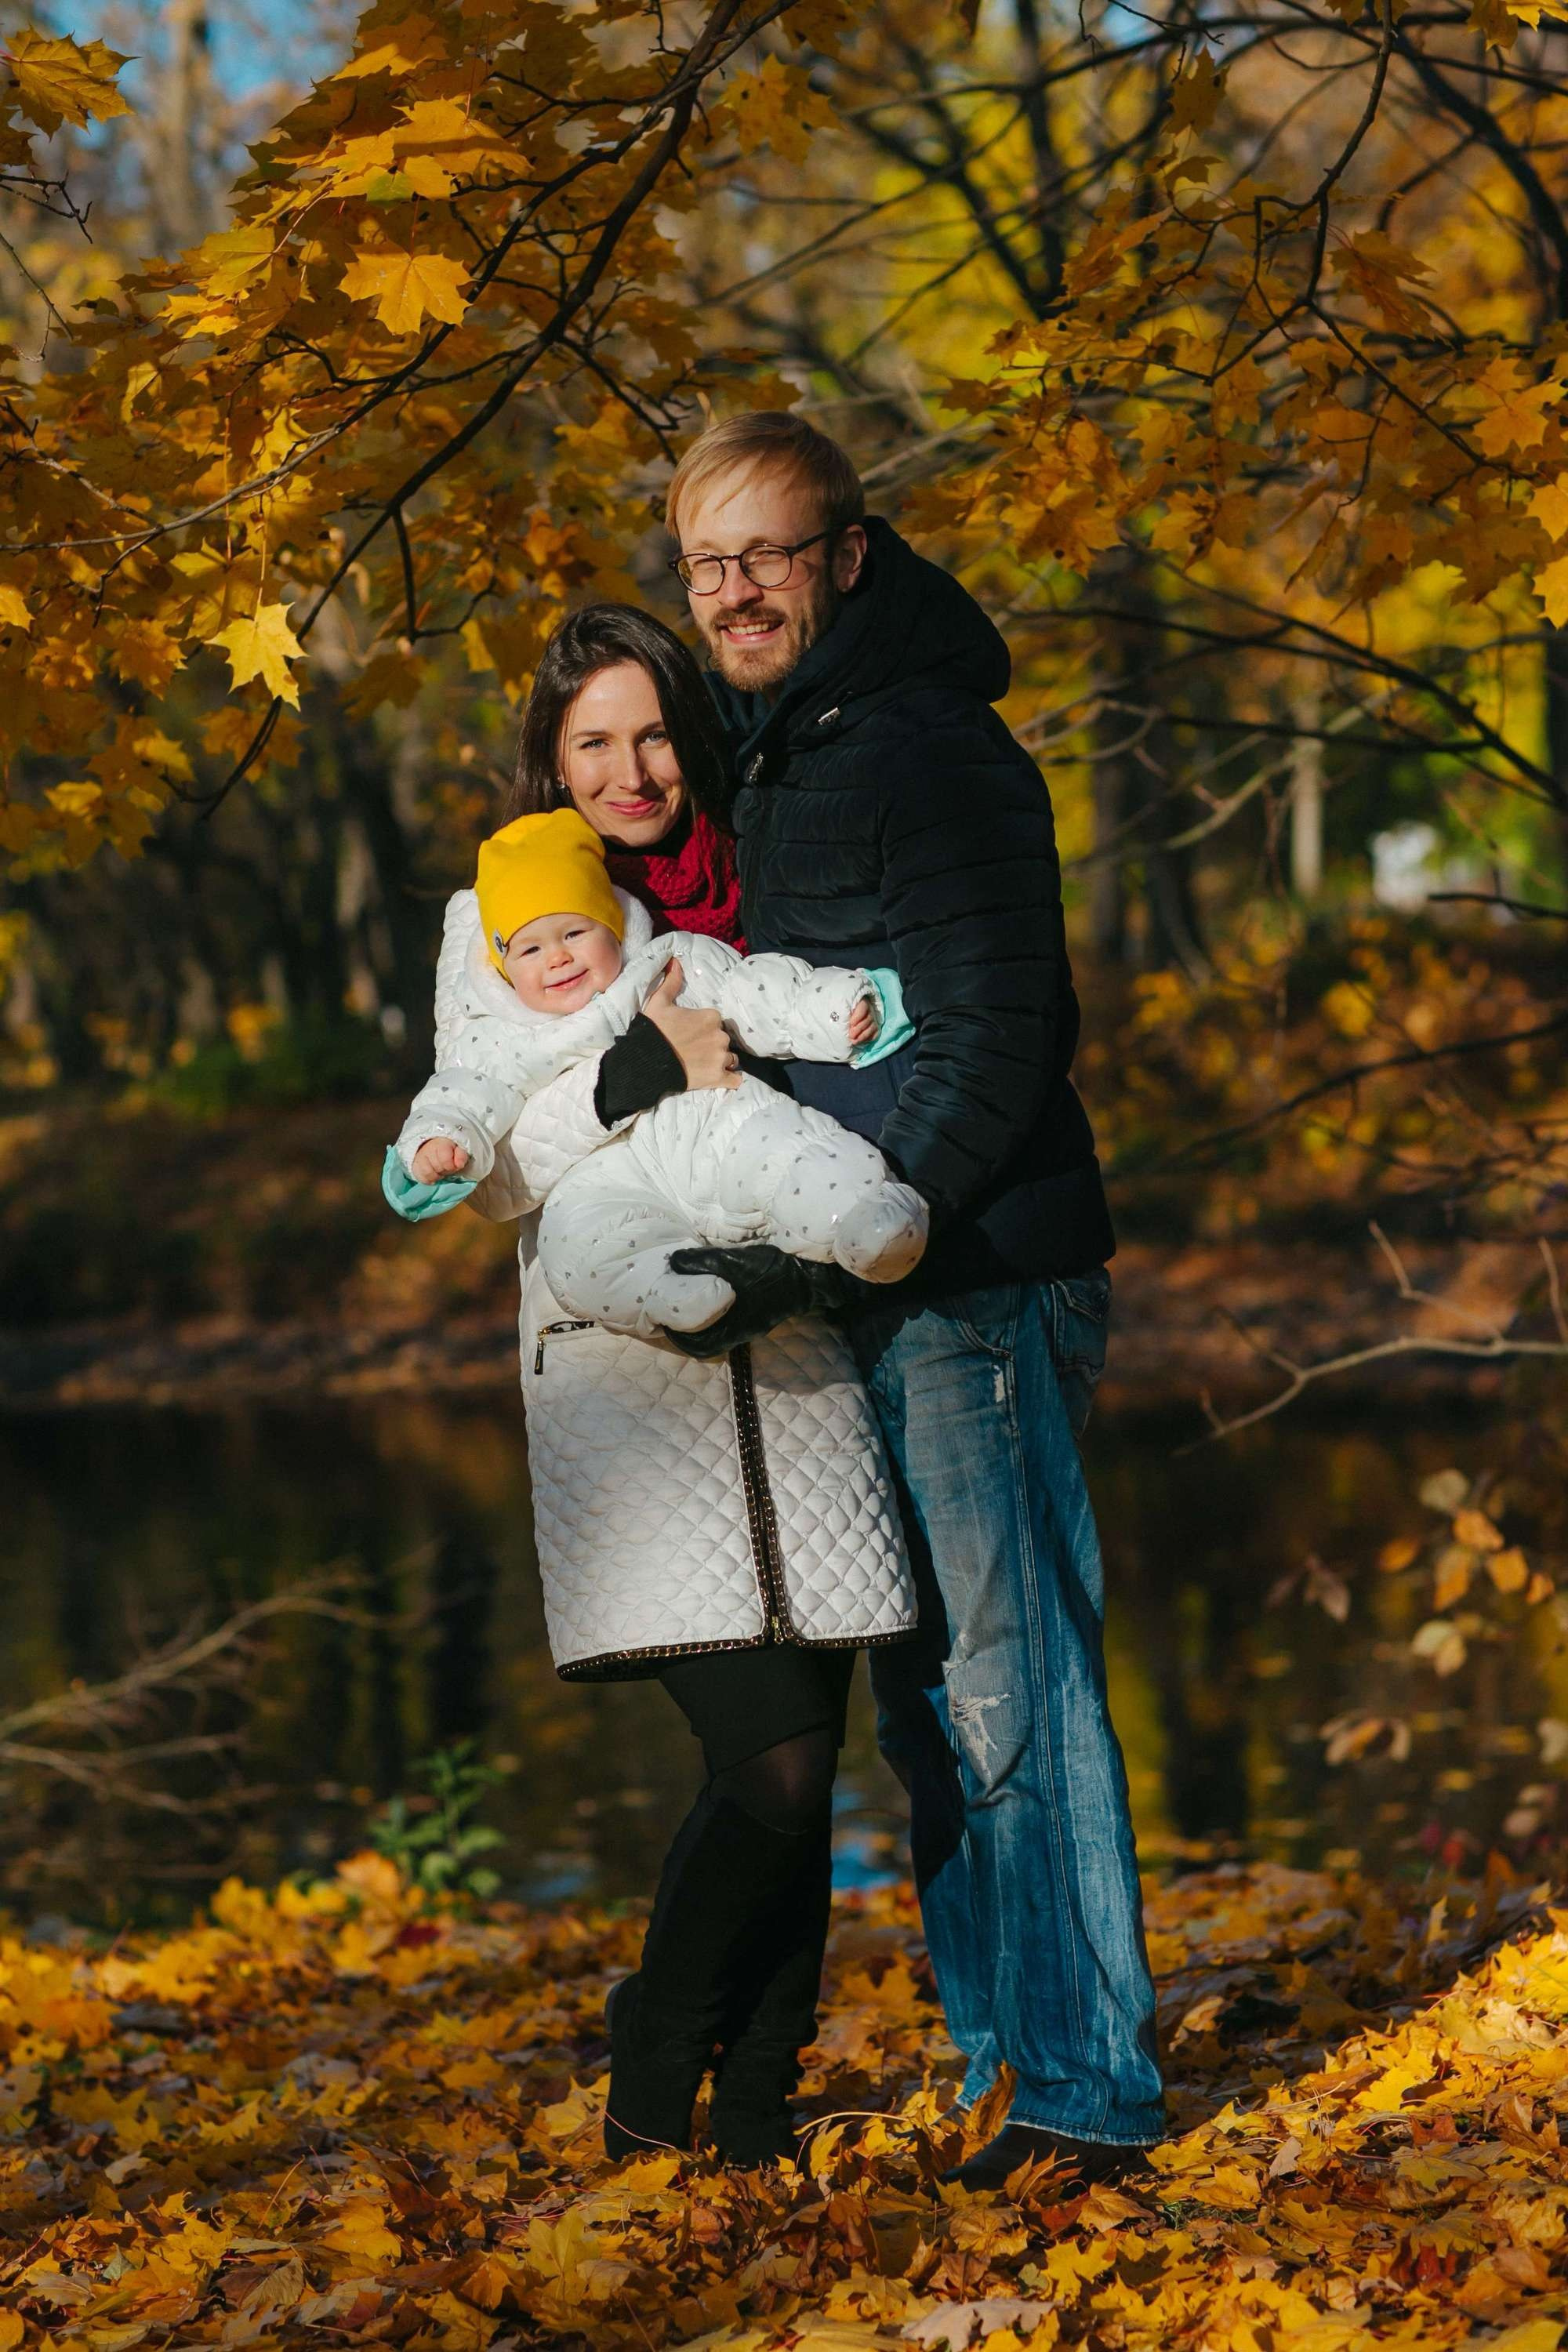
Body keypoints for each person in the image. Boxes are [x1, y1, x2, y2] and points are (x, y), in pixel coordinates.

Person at [662, 411, 1166, 2188]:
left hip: (972, 1281)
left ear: (845, 557)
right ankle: (1002, 2061)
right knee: (926, 1712)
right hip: (864, 1284)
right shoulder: (788, 751)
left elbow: (1000, 1038)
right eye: (707, 561)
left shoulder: (930, 749)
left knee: (1008, 1692)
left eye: (767, 554)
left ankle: (1084, 2094)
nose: (734, 589)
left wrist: (869, 1228)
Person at [389, 604, 917, 2168]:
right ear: (552, 759)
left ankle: (752, 2105)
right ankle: (651, 2056)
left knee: (807, 1767)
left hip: (796, 1352)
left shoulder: (747, 886)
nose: (630, 768)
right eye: (591, 741)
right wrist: (631, 1084)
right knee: (760, 1762)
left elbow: (809, 1059)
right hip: (634, 1374)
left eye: (649, 731)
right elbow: (489, 1168)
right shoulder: (501, 916)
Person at [386, 805, 927, 1334]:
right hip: (601, 1177)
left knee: (786, 1149)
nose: (557, 958)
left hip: (713, 1123)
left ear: (614, 925)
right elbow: (461, 1094)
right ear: (504, 964)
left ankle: (866, 1219)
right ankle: (670, 1292)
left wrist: (833, 1008)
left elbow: (756, 993)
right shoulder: (499, 1035)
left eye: (574, 933)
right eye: (530, 949)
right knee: (580, 1246)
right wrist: (438, 1140)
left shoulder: (664, 965)